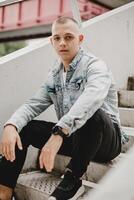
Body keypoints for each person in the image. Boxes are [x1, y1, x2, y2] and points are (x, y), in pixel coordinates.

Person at [0, 16, 126, 200]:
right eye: (57, 38)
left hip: (106, 141)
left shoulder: (96, 66)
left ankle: (72, 180)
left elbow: (91, 100)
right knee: (25, 128)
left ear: (80, 39)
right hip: (75, 138)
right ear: (51, 42)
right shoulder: (55, 75)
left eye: (68, 37)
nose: (62, 43)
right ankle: (4, 189)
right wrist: (11, 126)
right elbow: (33, 104)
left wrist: (59, 132)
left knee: (93, 114)